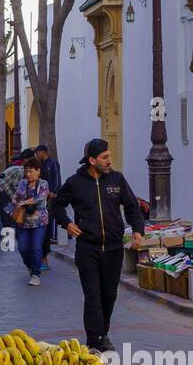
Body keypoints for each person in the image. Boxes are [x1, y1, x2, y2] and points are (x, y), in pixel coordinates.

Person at [50, 138, 145, 351]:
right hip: (88, 249)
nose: (110, 161)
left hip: (113, 248)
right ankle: (94, 341)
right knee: (93, 296)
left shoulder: (117, 180)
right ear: (92, 160)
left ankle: (103, 334)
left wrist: (138, 230)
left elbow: (132, 207)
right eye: (105, 157)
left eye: (109, 156)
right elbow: (56, 205)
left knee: (109, 295)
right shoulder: (75, 183)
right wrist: (67, 223)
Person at [11, 156, 51, 286]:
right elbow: (15, 197)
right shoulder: (22, 183)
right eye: (26, 171)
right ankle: (31, 266)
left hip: (39, 222)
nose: (28, 174)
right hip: (23, 221)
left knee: (36, 248)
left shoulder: (43, 183)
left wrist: (25, 202)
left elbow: (41, 197)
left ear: (38, 171)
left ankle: (35, 274)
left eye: (31, 171)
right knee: (22, 247)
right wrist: (18, 203)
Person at [36, 143, 61, 269]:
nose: (37, 155)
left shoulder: (52, 163)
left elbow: (57, 179)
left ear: (43, 152)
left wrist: (54, 192)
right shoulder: (41, 164)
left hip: (51, 196)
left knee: (49, 219)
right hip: (43, 196)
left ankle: (52, 237)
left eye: (38, 152)